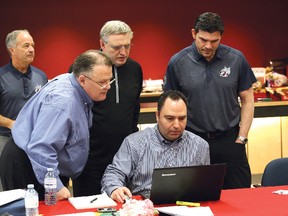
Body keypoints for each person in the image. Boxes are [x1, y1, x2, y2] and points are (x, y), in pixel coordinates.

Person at [0, 50, 113, 200]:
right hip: (30, 166)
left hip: (42, 165)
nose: (108, 87)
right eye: (102, 82)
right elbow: (41, 148)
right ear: (82, 79)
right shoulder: (63, 102)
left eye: (110, 80)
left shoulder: (74, 83)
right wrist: (56, 187)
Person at [163, 12, 257, 189]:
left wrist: (242, 138)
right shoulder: (178, 62)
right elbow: (169, 105)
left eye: (214, 41)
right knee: (195, 196)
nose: (208, 46)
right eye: (203, 39)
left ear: (221, 36)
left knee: (241, 195)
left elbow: (248, 100)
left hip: (230, 140)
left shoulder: (236, 59)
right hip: (192, 140)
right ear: (193, 33)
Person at [72, 20, 143, 196]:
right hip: (90, 161)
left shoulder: (135, 69)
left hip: (124, 160)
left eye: (127, 46)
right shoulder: (85, 69)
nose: (123, 52)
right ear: (102, 44)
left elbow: (135, 110)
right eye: (117, 47)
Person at [101, 90, 210, 203]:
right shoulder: (134, 143)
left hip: (186, 206)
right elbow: (114, 172)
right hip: (145, 205)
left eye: (182, 118)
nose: (177, 125)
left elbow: (205, 185)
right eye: (170, 118)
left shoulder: (200, 146)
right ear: (157, 116)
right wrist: (115, 188)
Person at [0, 29, 48, 191]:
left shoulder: (41, 76)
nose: (31, 49)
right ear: (12, 49)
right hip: (5, 140)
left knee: (32, 187)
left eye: (33, 45)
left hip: (34, 142)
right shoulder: (1, 77)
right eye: (26, 45)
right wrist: (12, 124)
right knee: (7, 189)